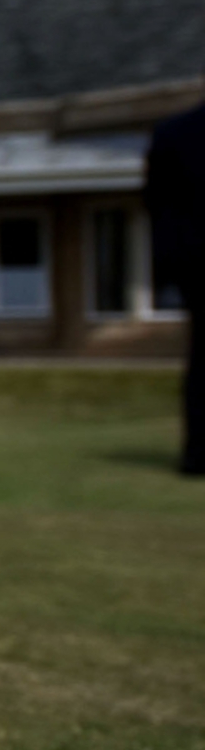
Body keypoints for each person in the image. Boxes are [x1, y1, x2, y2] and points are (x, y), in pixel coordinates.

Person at [146, 98, 205, 475]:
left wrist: (169, 267)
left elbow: (155, 205)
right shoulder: (174, 133)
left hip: (193, 266)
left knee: (203, 361)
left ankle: (198, 454)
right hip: (196, 264)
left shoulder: (172, 132)